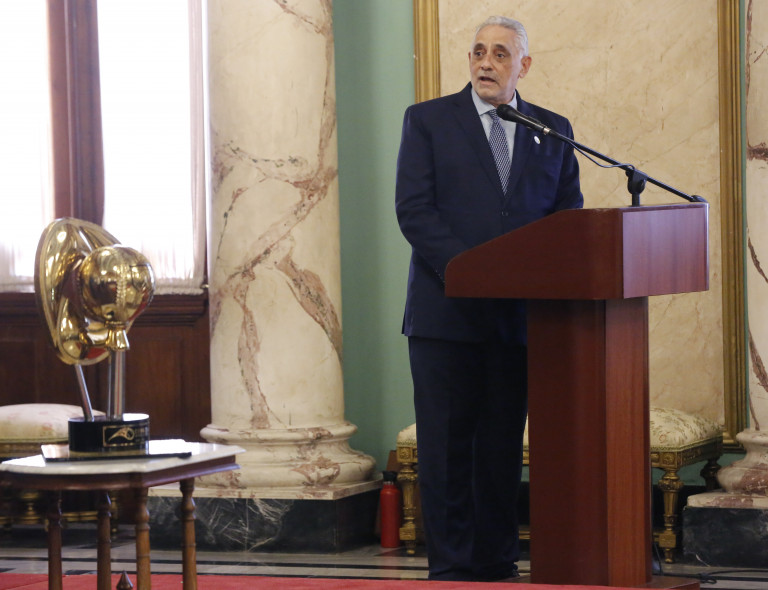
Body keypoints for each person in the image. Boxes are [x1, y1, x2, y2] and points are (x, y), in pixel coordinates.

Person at [395, 15, 583, 582]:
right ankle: (452, 566)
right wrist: (469, 271)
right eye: (479, 51)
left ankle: (498, 561)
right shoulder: (428, 120)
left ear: (523, 65)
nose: (486, 62)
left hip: (516, 319)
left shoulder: (551, 129)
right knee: (447, 448)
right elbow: (414, 210)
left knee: (500, 448)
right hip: (445, 315)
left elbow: (567, 216)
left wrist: (528, 275)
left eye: (501, 54)